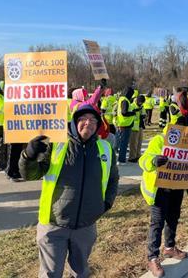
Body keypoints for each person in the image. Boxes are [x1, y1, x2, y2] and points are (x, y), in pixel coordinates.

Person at [19, 104, 119, 278]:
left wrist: (105, 204)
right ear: (74, 121)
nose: (88, 123)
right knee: (50, 274)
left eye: (93, 120)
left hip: (86, 227)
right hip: (53, 224)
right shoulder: (56, 144)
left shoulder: (105, 149)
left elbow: (113, 179)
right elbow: (31, 174)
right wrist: (28, 155)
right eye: (82, 119)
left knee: (80, 272)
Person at [139, 116, 188, 278]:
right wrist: (154, 161)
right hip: (159, 190)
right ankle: (153, 258)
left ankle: (169, 247)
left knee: (173, 218)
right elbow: (143, 161)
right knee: (157, 223)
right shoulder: (159, 140)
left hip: (177, 187)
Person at [116, 87, 136, 165]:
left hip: (123, 124)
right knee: (123, 143)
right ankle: (121, 160)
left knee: (122, 143)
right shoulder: (125, 100)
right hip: (125, 124)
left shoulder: (122, 99)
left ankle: (120, 159)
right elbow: (124, 112)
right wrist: (132, 113)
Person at [128, 95, 146, 163]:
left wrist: (143, 115)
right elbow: (131, 115)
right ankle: (132, 157)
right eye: (140, 102)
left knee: (139, 142)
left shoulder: (142, 106)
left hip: (140, 126)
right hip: (134, 127)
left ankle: (138, 155)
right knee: (133, 143)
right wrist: (136, 111)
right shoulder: (132, 106)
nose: (141, 103)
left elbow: (144, 113)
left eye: (142, 102)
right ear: (137, 100)